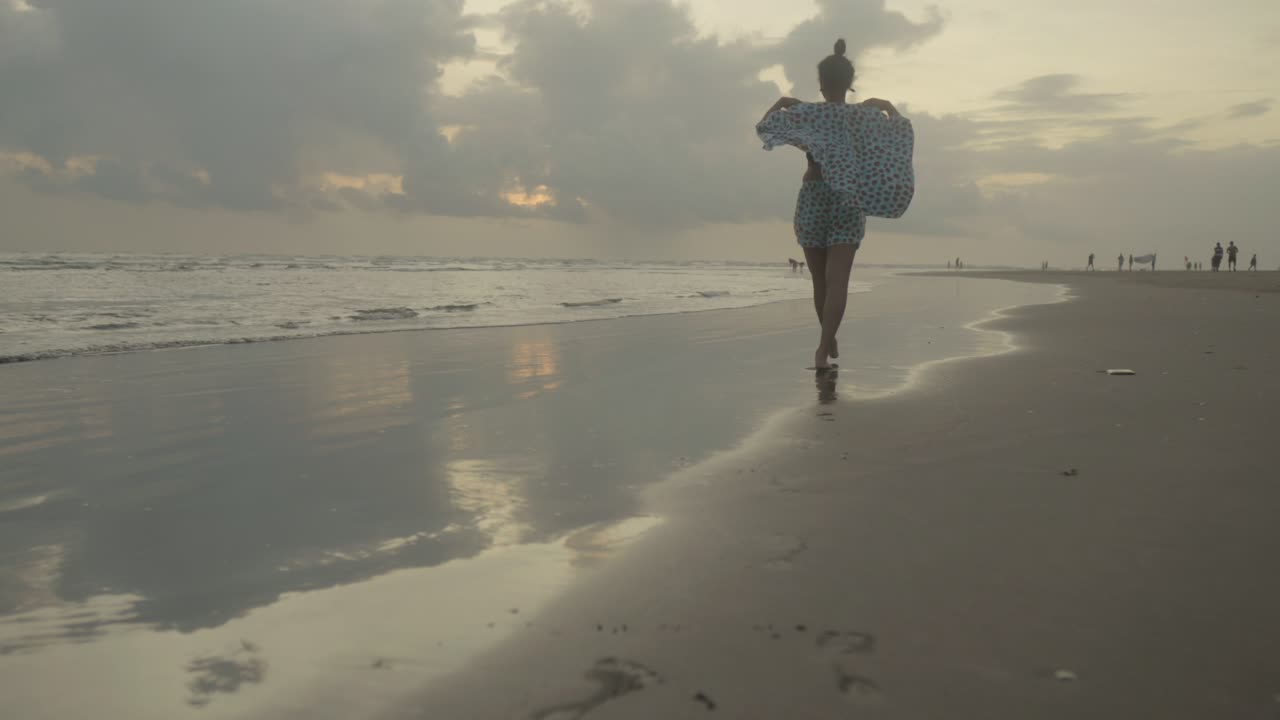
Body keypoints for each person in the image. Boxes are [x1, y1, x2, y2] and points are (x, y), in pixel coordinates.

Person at [756, 39, 903, 370]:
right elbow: (899, 134)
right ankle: (824, 346)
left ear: (821, 84)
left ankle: (827, 336)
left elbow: (764, 128)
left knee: (820, 281)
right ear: (849, 85)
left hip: (814, 195)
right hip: (847, 198)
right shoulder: (862, 117)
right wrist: (889, 106)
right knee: (838, 280)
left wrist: (780, 102)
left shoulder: (808, 114)